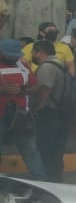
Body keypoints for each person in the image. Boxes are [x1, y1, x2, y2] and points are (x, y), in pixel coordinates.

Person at [0, 38, 46, 179]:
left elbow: (35, 86)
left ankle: (40, 182)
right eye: (9, 54)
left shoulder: (24, 67)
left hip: (21, 115)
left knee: (30, 150)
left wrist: (23, 90)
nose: (13, 57)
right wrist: (3, 89)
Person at [30, 40, 69, 182]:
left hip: (49, 115)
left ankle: (50, 182)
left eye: (33, 52)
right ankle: (56, 179)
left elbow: (44, 91)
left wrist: (35, 109)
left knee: (46, 150)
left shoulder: (47, 67)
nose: (32, 55)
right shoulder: (59, 63)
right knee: (56, 151)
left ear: (39, 52)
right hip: (59, 114)